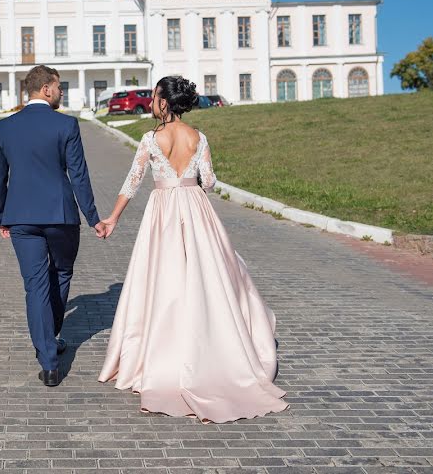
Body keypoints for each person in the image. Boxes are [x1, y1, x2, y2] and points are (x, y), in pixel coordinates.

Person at [97, 75, 289, 422]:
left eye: (155, 97)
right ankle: (211, 348)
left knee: (164, 280)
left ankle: (164, 353)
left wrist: (112, 219)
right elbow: (211, 182)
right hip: (196, 209)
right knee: (206, 275)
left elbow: (133, 182)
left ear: (164, 103)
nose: (153, 102)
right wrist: (190, 180)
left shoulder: (151, 139)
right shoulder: (198, 138)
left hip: (163, 212)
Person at [0, 64, 107, 387]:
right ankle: (50, 340)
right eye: (59, 87)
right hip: (61, 217)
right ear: (45, 89)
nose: (61, 92)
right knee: (62, 273)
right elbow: (78, 176)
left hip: (21, 219)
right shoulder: (66, 125)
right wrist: (93, 217)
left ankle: (49, 359)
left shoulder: (4, 128)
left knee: (36, 286)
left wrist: (1, 215)